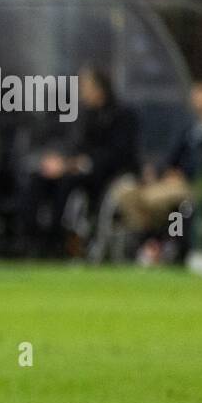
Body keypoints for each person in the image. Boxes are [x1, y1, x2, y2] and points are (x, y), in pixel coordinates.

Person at [17, 64, 139, 258]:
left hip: (109, 174)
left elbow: (119, 154)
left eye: (85, 87)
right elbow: (75, 145)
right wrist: (61, 162)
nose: (82, 92)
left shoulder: (123, 115)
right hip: (78, 168)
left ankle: (58, 239)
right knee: (38, 179)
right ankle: (31, 238)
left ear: (100, 89)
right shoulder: (85, 115)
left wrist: (80, 164)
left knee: (68, 182)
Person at [114, 79, 202, 261]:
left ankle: (155, 243)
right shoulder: (190, 129)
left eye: (200, 94)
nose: (195, 98)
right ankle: (150, 241)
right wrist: (158, 172)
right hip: (171, 183)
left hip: (199, 187)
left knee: (151, 199)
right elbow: (172, 157)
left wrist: (185, 174)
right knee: (125, 194)